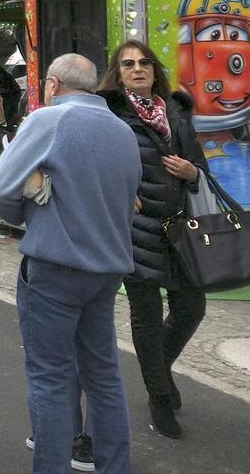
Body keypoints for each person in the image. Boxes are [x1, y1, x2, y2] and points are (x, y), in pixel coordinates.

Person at [0, 54, 142, 474]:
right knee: (104, 375)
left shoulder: (47, 121)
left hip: (54, 264)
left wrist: (22, 217)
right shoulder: (123, 131)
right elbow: (130, 200)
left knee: (51, 378)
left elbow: (0, 187)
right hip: (107, 267)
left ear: (53, 85)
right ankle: (115, 466)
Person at [98, 41, 207, 440]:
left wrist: (191, 173)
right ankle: (160, 397)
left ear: (154, 69)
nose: (137, 69)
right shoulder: (110, 112)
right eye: (128, 64)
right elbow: (95, 163)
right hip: (134, 229)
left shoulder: (174, 111)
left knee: (192, 305)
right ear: (118, 72)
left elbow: (199, 164)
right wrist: (120, 190)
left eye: (144, 62)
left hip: (179, 226)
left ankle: (158, 371)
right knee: (144, 315)